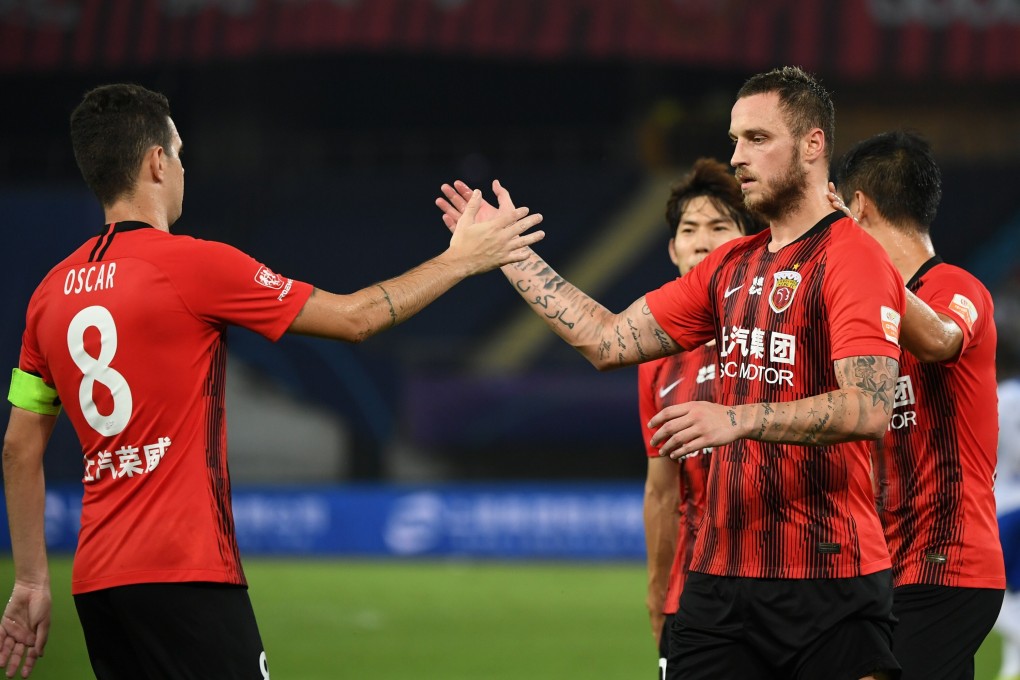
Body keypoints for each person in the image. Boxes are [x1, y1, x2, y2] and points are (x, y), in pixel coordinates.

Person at [0, 83, 544, 680]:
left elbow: (19, 448)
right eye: (179, 153)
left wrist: (30, 578)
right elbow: (355, 319)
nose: (183, 167)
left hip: (99, 583)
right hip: (188, 571)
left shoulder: (47, 295)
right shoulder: (194, 264)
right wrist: (463, 258)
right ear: (157, 162)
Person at [438, 66, 905, 680]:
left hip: (828, 582)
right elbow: (605, 339)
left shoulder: (851, 258)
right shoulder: (729, 266)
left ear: (814, 145)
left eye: (757, 139)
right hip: (716, 588)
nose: (738, 157)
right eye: (735, 139)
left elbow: (870, 407)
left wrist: (736, 419)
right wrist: (510, 254)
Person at [832, 130, 1004, 680]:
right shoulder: (863, 315)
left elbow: (941, 340)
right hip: (887, 567)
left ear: (855, 207)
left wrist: (854, 254)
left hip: (947, 563)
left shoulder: (957, 286)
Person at [638, 158, 764, 679]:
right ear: (673, 250)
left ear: (750, 241)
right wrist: (657, 591)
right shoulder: (653, 361)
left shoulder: (781, 332)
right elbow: (662, 492)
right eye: (689, 230)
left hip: (789, 580)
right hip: (693, 589)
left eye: (719, 227)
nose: (701, 242)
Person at [995, 374, 1020, 680]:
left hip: (998, 508)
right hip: (1014, 503)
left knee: (994, 595)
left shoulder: (999, 396)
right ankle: (1011, 668)